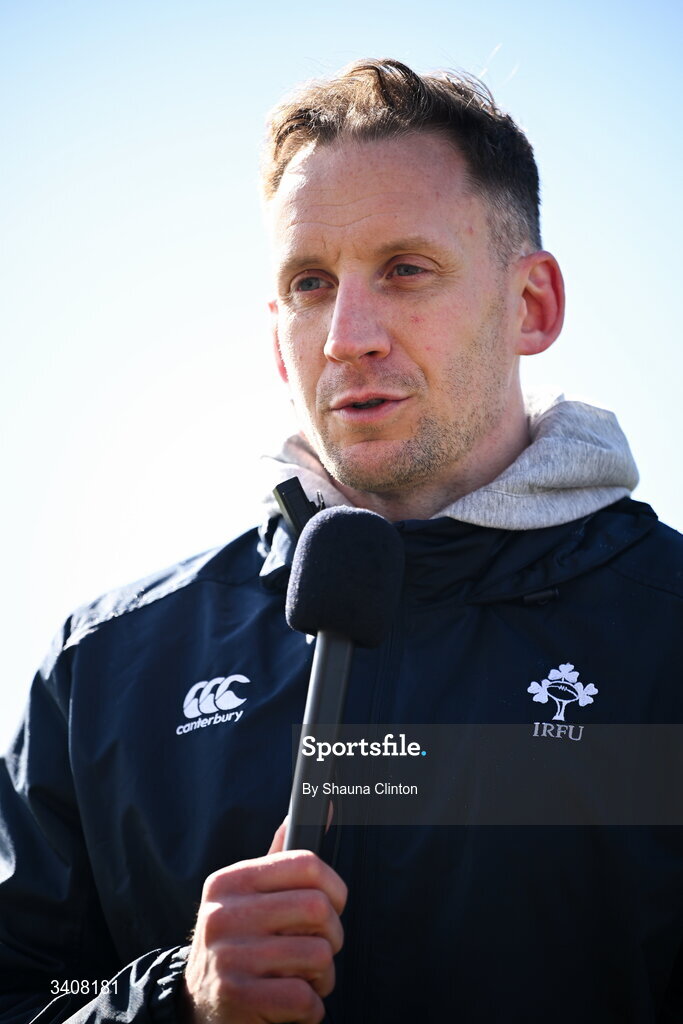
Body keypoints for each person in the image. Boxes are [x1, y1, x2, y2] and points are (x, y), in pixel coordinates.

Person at [1, 57, 681, 1024]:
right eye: (310, 283)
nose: (346, 335)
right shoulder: (107, 672)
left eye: (405, 270)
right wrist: (174, 1002)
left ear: (530, 305)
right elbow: (31, 992)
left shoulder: (665, 635)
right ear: (275, 334)